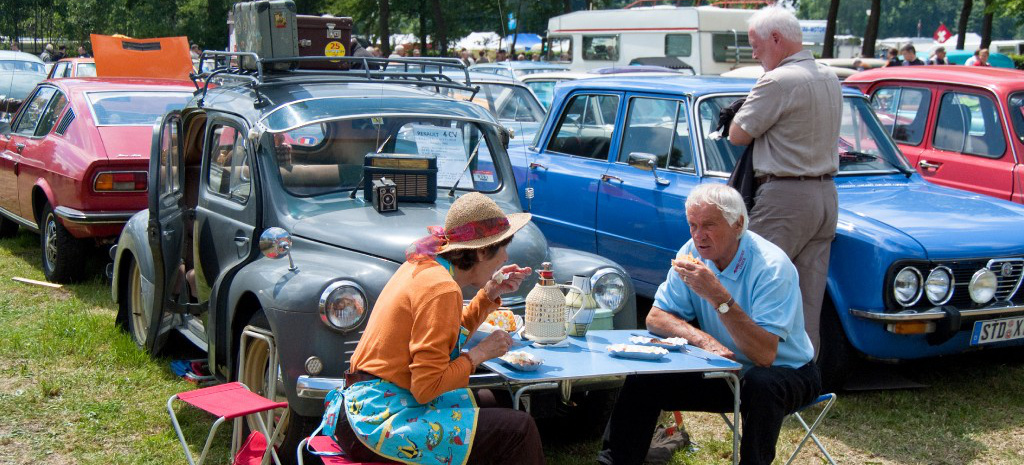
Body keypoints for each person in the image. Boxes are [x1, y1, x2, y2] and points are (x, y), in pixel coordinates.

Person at [597, 184, 820, 465]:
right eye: (692, 225)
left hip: (787, 371)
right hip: (724, 369)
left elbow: (764, 355)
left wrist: (718, 296)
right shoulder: (692, 251)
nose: (698, 236)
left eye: (709, 225)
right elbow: (656, 317)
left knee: (761, 384)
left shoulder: (772, 267)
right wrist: (705, 341)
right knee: (643, 377)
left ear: (737, 224)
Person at [335, 192, 544, 465]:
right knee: (519, 430)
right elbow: (427, 387)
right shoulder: (442, 288)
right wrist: (479, 354)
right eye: (502, 247)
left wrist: (490, 292)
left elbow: (447, 337)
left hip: (365, 406)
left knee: (498, 400)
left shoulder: (428, 268)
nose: (505, 257)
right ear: (481, 251)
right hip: (377, 422)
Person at [728, 5, 841, 356]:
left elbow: (738, 134)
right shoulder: (829, 75)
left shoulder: (778, 80)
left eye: (756, 44)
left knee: (752, 283)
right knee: (808, 301)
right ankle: (804, 382)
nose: (754, 53)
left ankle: (749, 376)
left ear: (775, 39)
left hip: (786, 197)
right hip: (825, 194)